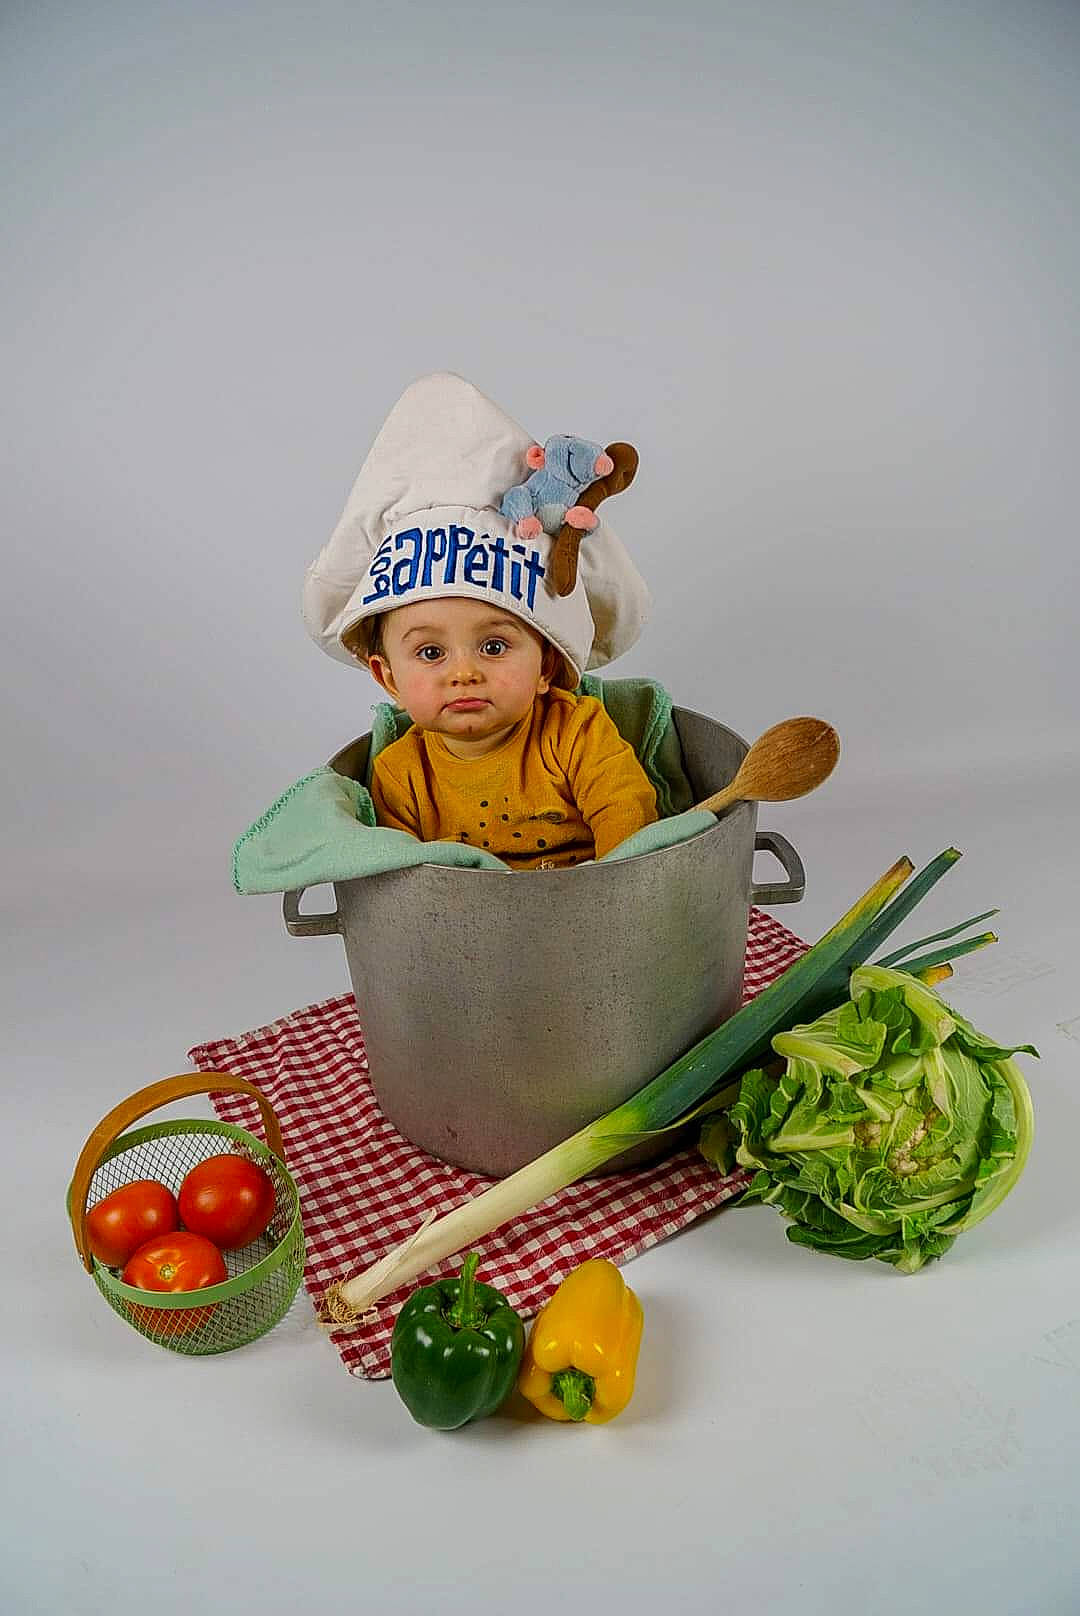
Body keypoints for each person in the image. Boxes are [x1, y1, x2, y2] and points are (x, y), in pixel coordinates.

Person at [301, 371, 659, 868]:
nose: (463, 672)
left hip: (589, 912)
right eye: (430, 653)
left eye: (493, 647)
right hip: (468, 933)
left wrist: (609, 893)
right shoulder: (400, 774)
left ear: (546, 668)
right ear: (388, 678)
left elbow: (629, 833)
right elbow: (407, 886)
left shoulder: (577, 735)